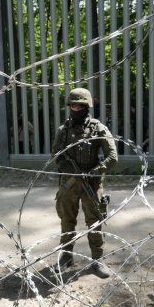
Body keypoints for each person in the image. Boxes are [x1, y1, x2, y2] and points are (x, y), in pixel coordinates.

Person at [52, 88, 118, 278]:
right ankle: (66, 256)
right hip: (69, 184)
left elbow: (112, 157)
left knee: (95, 223)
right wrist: (70, 169)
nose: (76, 108)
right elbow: (56, 155)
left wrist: (93, 172)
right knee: (66, 221)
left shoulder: (99, 129)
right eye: (73, 105)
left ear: (87, 106)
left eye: (80, 105)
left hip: (91, 185)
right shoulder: (63, 131)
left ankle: (97, 260)